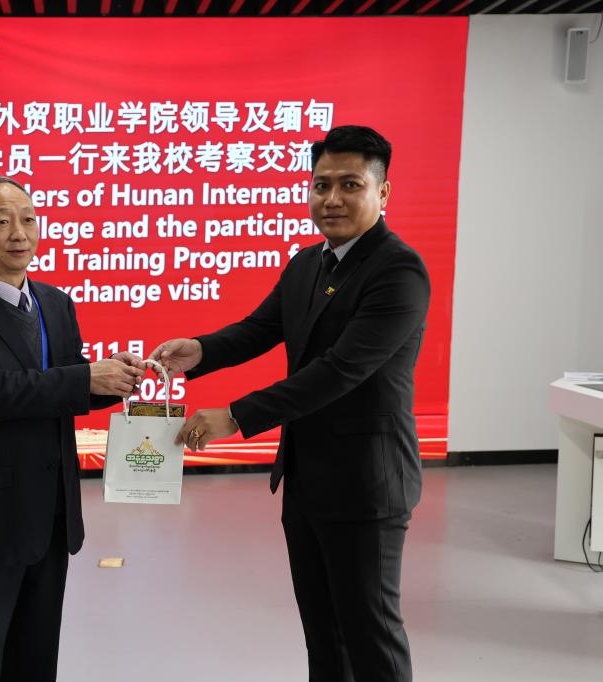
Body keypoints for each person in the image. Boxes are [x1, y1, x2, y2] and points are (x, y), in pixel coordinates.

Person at [150, 125, 430, 682]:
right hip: (307, 478)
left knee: (369, 635)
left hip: (366, 484)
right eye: (321, 185)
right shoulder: (309, 263)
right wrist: (199, 351)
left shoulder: (398, 270)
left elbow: (340, 370)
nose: (332, 199)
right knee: (323, 634)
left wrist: (236, 416)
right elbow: (260, 329)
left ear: (383, 192)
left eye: (350, 185)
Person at [0, 177, 144, 682]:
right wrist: (85, 377)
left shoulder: (55, 303)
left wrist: (118, 377)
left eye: (28, 219)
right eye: (1, 222)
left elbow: (63, 385)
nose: (19, 233)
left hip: (51, 514)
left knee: (34, 659)